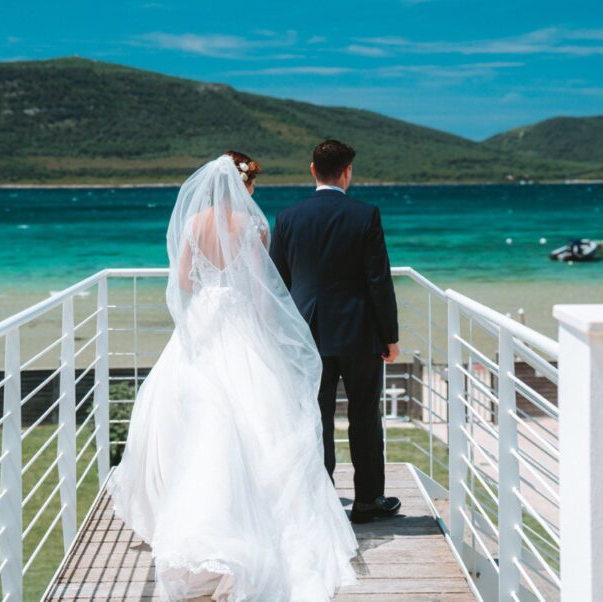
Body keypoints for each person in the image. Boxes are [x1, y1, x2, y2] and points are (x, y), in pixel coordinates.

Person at [107, 151, 358, 601]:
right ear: (246, 185)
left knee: (193, 414)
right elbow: (264, 291)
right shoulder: (253, 227)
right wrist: (265, 331)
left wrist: (209, 290)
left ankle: (185, 511)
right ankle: (254, 514)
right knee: (258, 412)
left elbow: (182, 279)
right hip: (240, 323)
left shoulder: (193, 223)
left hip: (204, 321)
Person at [269, 139, 401, 525]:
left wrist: (280, 332)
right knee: (364, 416)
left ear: (312, 170)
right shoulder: (365, 215)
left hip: (305, 332)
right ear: (347, 172)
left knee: (315, 416)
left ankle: (321, 500)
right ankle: (367, 501)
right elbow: (379, 281)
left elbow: (278, 281)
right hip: (359, 332)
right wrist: (389, 336)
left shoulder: (288, 217)